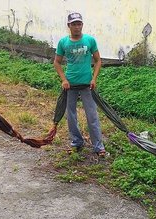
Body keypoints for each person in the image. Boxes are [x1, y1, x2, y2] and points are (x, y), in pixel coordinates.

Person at [52, 12, 107, 157]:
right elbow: (57, 62)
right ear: (68, 26)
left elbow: (98, 60)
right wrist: (64, 79)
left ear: (82, 25)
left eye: (79, 24)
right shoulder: (63, 42)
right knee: (71, 115)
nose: (77, 27)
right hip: (70, 85)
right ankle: (76, 142)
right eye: (74, 24)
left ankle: (98, 146)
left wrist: (94, 78)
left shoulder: (90, 40)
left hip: (87, 85)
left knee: (92, 115)